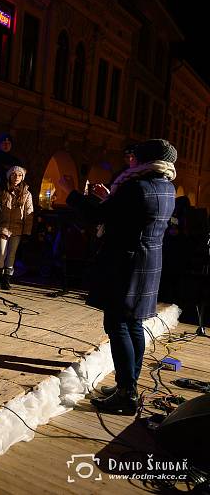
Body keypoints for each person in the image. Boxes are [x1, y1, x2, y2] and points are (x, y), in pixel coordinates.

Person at [62, 139, 176, 415]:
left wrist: (72, 193)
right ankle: (130, 385)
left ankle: (127, 394)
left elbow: (99, 216)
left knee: (118, 325)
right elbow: (129, 214)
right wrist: (110, 199)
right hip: (147, 262)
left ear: (146, 160)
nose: (132, 161)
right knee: (134, 324)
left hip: (126, 264)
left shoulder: (136, 187)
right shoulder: (166, 187)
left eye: (136, 157)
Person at [0, 166, 34, 290]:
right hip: (3, 227)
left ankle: (7, 279)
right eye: (14, 175)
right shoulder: (2, 191)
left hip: (17, 228)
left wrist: (27, 232)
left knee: (12, 254)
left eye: (19, 175)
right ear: (9, 176)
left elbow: (29, 212)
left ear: (22, 177)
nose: (16, 177)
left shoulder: (26, 193)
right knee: (1, 253)